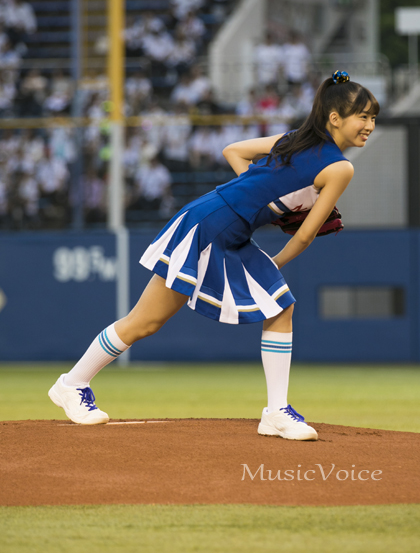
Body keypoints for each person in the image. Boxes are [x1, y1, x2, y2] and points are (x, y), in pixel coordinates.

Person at [48, 71, 379, 441]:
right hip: (211, 225)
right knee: (145, 321)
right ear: (335, 118)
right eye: (363, 116)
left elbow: (233, 151)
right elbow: (304, 235)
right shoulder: (339, 167)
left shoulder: (293, 141)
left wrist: (257, 195)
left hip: (223, 221)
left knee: (280, 306)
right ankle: (71, 384)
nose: (370, 125)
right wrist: (273, 249)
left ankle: (276, 412)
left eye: (372, 117)